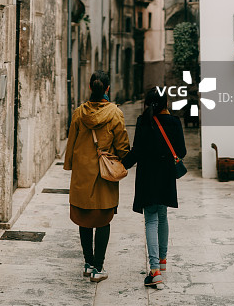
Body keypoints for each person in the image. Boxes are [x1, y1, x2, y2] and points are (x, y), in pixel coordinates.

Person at [64, 70, 130, 283]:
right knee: (103, 219)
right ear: (107, 89)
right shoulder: (115, 113)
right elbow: (122, 146)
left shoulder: (79, 113)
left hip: (83, 174)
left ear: (91, 87)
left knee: (84, 218)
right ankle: (98, 267)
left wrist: (70, 166)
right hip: (103, 174)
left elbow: (71, 143)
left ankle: (87, 263)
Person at [123, 87, 186, 289]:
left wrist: (120, 164)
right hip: (166, 177)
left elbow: (137, 151)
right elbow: (182, 151)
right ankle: (163, 261)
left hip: (148, 178)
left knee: (151, 219)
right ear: (166, 103)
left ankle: (154, 270)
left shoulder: (143, 122)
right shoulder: (175, 122)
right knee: (163, 215)